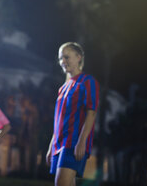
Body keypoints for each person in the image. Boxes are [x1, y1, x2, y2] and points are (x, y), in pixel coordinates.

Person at [46, 42, 99, 186]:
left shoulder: (87, 81)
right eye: (61, 58)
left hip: (73, 143)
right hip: (59, 144)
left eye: (67, 57)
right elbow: (59, 119)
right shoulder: (63, 88)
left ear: (79, 57)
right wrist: (52, 146)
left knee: (61, 183)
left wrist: (82, 141)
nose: (63, 61)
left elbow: (91, 113)